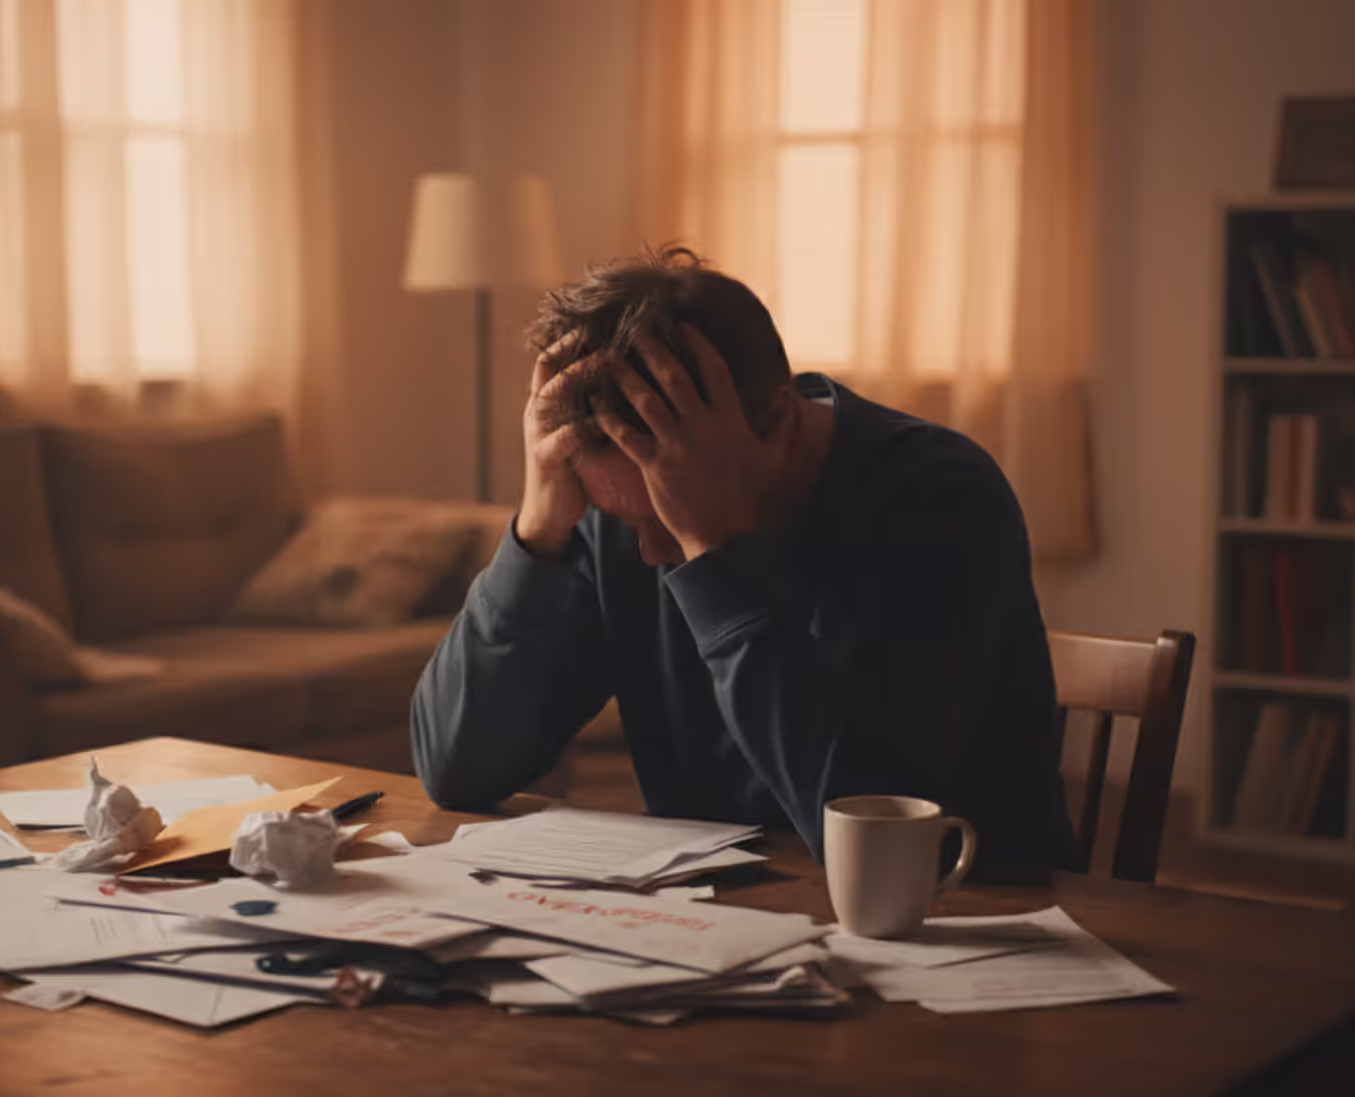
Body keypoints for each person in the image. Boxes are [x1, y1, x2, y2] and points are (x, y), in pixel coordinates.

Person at [410, 246, 1077, 870]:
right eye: (626, 517)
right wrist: (537, 534)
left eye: (664, 521)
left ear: (780, 418)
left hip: (967, 923)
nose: (648, 552)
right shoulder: (619, 507)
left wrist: (712, 549)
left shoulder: (942, 498)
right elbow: (456, 768)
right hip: (718, 923)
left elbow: (872, 837)